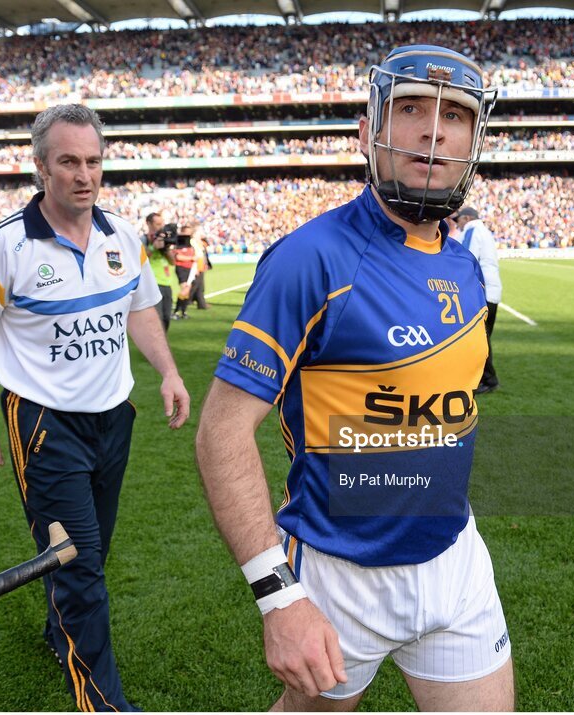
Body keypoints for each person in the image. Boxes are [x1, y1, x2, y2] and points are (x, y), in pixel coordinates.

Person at [195, 45, 512, 712]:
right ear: (367, 132)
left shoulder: (466, 267)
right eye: (411, 109)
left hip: (455, 558)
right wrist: (279, 596)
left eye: (455, 114)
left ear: (474, 140)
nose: (434, 129)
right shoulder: (311, 258)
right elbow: (222, 430)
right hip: (340, 575)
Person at [0, 103, 190, 711]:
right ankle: (102, 702)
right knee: (79, 566)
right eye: (69, 162)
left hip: (115, 417)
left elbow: (139, 308)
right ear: (41, 169)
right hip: (45, 426)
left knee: (91, 551)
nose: (85, 175)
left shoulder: (122, 236)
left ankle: (61, 632)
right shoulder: (6, 245)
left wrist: (168, 371)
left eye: (94, 161)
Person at [452, 205, 502, 393]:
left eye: (459, 221)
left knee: (479, 337)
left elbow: (466, 258)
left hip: (481, 290)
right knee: (483, 336)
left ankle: (488, 379)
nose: (458, 225)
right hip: (491, 289)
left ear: (466, 218)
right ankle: (485, 378)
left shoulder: (473, 229)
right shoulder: (484, 231)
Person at [147, 222, 176, 332]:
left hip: (167, 286)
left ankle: (163, 336)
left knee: (166, 317)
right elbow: (144, 256)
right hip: (156, 285)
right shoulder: (151, 249)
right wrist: (154, 246)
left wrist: (166, 248)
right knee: (158, 316)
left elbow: (173, 262)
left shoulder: (166, 252)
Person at [172, 223, 197, 320]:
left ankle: (183, 312)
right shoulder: (179, 243)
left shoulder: (190, 243)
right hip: (181, 268)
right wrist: (191, 258)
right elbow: (178, 256)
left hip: (189, 269)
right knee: (184, 289)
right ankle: (176, 312)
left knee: (187, 290)